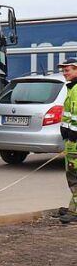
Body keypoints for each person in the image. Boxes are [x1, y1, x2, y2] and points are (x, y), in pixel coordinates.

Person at [59, 57, 77, 224]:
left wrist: (72, 136)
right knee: (72, 176)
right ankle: (73, 208)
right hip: (71, 143)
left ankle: (74, 211)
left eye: (68, 69)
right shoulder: (72, 88)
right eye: (63, 70)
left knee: (75, 177)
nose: (65, 73)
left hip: (75, 143)